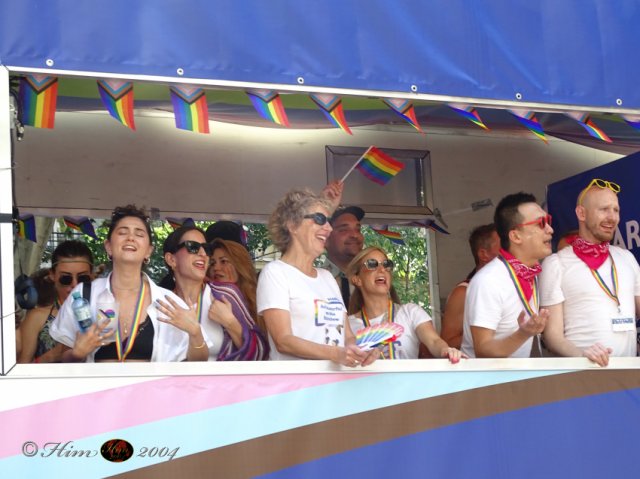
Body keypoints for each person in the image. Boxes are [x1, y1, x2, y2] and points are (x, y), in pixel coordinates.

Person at [51, 205, 210, 362]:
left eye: (139, 234)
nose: (130, 238)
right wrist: (77, 353)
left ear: (148, 251)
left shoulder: (168, 302)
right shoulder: (84, 295)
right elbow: (62, 359)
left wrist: (195, 333)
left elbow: (199, 362)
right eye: (122, 232)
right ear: (108, 247)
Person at [256, 188, 377, 366]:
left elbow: (347, 337)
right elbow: (283, 340)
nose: (328, 228)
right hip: (297, 381)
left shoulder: (327, 277)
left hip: (337, 380)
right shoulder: (275, 272)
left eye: (328, 221)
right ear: (292, 225)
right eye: (320, 219)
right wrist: (335, 354)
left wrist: (362, 349)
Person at [539, 179, 640, 366]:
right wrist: (582, 355)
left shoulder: (626, 258)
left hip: (629, 375)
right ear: (581, 213)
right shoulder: (556, 264)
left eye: (616, 210)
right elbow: (552, 336)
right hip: (582, 374)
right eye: (604, 209)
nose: (612, 217)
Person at [461, 192, 552, 358]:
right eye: (541, 223)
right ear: (516, 236)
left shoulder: (531, 274)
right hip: (487, 375)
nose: (550, 229)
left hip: (518, 373)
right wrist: (523, 333)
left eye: (548, 221)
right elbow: (483, 349)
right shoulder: (488, 280)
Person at [161, 226, 268, 360]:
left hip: (223, 374)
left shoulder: (224, 295)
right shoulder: (159, 302)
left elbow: (262, 352)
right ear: (171, 259)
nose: (203, 254)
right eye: (193, 247)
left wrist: (230, 322)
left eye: (206, 249)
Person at [347, 246, 464, 362]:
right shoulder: (347, 325)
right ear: (357, 279)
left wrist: (445, 350)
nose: (382, 269)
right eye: (372, 264)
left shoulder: (410, 312)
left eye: (387, 264)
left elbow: (434, 341)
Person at [18, 241, 93, 363]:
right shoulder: (38, 317)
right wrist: (51, 356)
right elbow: (21, 369)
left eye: (82, 278)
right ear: (52, 275)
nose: (75, 284)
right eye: (66, 278)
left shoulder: (102, 312)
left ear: (92, 275)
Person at [440, 224, 500, 349]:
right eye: (503, 245)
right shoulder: (463, 292)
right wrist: (485, 334)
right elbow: (447, 343)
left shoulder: (512, 288)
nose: (510, 250)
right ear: (483, 254)